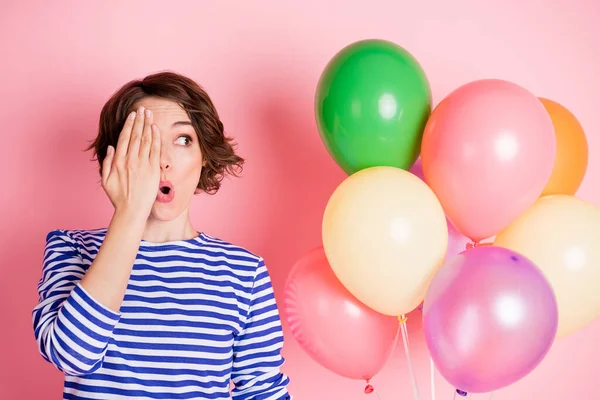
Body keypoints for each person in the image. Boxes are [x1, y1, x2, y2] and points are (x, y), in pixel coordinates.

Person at [32, 71, 291, 399]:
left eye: (183, 140)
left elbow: (262, 392)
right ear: (116, 159)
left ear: (204, 156)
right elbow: (72, 354)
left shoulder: (244, 272)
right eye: (144, 142)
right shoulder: (73, 248)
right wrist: (129, 212)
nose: (164, 161)